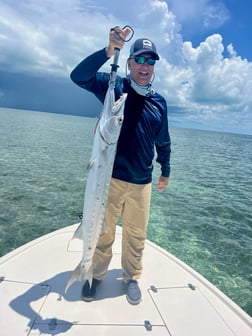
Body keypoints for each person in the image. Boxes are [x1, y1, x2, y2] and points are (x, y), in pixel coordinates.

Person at [70, 26, 171, 305]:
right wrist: (108, 51)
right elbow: (79, 77)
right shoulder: (114, 88)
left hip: (142, 184)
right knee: (103, 231)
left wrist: (166, 171)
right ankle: (95, 274)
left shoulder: (159, 103)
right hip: (109, 180)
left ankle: (131, 277)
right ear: (128, 63)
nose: (145, 66)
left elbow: (163, 141)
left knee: (136, 236)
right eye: (139, 59)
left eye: (151, 61)